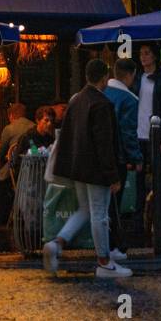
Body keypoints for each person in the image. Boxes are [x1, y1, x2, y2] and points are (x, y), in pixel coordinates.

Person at [43, 59, 131, 278]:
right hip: (96, 170)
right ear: (104, 78)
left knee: (85, 209)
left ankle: (57, 243)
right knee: (99, 214)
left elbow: (67, 135)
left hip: (77, 168)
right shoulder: (102, 104)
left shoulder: (76, 100)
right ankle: (104, 263)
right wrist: (113, 175)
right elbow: (104, 143)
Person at [134, 44, 161, 244]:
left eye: (147, 53)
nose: (143, 57)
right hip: (138, 135)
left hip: (155, 135)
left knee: (160, 179)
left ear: (155, 56)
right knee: (138, 180)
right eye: (141, 54)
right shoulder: (137, 78)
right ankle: (139, 223)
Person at [104, 59, 141, 257]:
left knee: (101, 204)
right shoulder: (129, 100)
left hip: (99, 156)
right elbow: (128, 133)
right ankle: (114, 245)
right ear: (130, 75)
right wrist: (136, 158)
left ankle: (107, 244)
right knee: (114, 204)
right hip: (117, 157)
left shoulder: (101, 92)